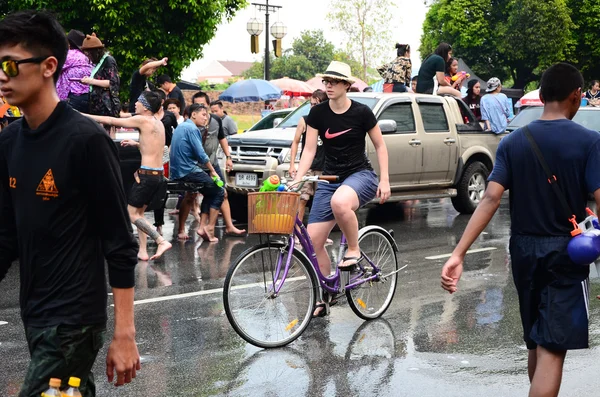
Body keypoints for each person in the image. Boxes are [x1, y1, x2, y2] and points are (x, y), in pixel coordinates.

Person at [0, 10, 140, 396]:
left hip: (75, 320)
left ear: (48, 67)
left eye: (10, 64)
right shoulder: (9, 143)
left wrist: (124, 333)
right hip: (34, 312)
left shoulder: (85, 140)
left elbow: (120, 242)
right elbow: (6, 237)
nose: (2, 74)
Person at [441, 62, 600, 397]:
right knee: (552, 349)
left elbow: (489, 199)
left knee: (537, 342)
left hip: (523, 253)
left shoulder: (514, 142)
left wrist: (458, 254)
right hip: (566, 254)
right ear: (576, 96)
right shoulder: (589, 142)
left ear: (541, 96)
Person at [292, 61, 390, 317]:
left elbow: (380, 145)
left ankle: (354, 250)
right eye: (326, 81)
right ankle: (326, 294)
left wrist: (385, 180)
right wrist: (298, 178)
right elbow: (310, 149)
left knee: (340, 202)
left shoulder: (361, 113)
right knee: (312, 243)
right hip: (328, 177)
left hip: (361, 175)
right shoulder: (318, 114)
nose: (329, 85)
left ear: (347, 85)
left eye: (335, 81)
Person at [82, 91, 173, 261]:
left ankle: (161, 241)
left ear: (145, 106)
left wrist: (79, 115)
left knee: (131, 215)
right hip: (157, 176)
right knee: (139, 214)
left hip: (146, 177)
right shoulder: (157, 123)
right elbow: (155, 146)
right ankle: (143, 250)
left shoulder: (142, 120)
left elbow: (110, 120)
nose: (135, 104)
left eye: (138, 101)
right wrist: (137, 143)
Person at [192, 92, 245, 237]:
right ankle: (200, 228)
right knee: (206, 194)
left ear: (208, 105)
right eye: (197, 105)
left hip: (213, 164)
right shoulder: (191, 124)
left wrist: (229, 157)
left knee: (223, 193)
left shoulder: (216, 120)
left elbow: (222, 138)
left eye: (203, 104)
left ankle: (229, 226)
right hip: (198, 166)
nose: (200, 107)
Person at [170, 104, 225, 241]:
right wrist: (213, 171)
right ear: (193, 114)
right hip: (188, 171)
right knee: (219, 191)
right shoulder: (192, 128)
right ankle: (209, 228)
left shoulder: (181, 127)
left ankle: (202, 227)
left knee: (207, 191)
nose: (206, 118)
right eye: (204, 115)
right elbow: (201, 154)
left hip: (178, 171)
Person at [289, 89, 332, 245]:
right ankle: (297, 233)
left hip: (324, 165)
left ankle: (321, 234)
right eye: (311, 104)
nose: (313, 107)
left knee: (322, 201)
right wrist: (293, 164)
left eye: (317, 104)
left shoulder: (329, 120)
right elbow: (295, 142)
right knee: (302, 199)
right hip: (308, 166)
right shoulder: (305, 120)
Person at [80, 33, 120, 135]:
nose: (87, 56)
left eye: (89, 53)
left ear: (96, 51)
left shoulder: (108, 61)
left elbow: (112, 83)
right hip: (96, 105)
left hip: (106, 107)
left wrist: (91, 81)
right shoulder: (98, 63)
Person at [56, 29, 93, 112]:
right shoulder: (87, 57)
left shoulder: (69, 55)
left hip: (73, 97)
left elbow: (52, 67)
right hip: (88, 96)